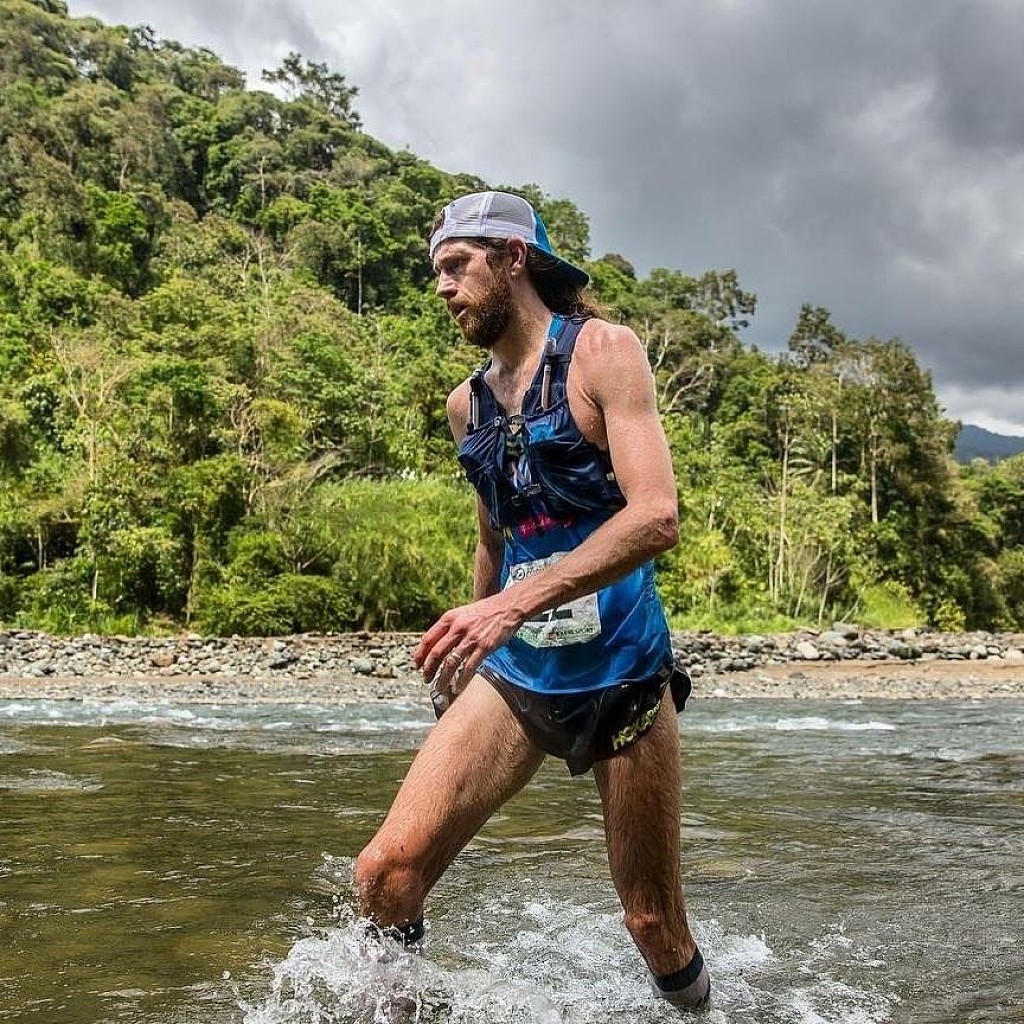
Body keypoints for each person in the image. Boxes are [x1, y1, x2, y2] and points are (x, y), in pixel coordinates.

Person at [353, 191, 710, 1010]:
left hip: (623, 674)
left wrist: (508, 608)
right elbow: (495, 535)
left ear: (513, 258)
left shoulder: (604, 353)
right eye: (437, 272)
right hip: (517, 675)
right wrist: (468, 644)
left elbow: (656, 517)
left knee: (652, 923)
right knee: (385, 875)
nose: (442, 287)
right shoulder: (466, 406)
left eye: (456, 266)